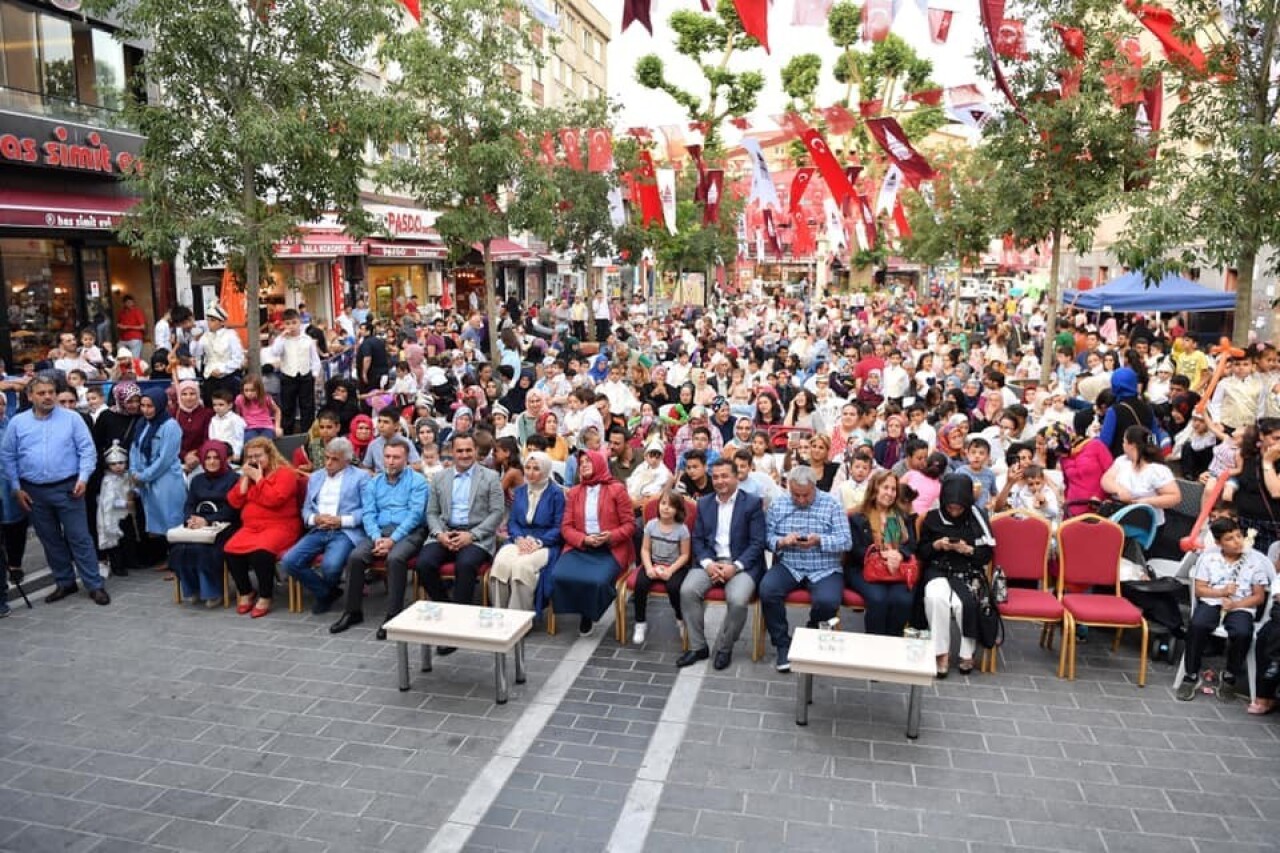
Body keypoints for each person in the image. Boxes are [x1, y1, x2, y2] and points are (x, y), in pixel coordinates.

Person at [0, 376, 108, 605]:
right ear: (30, 396)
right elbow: (8, 457)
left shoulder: (72, 419)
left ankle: (94, 584)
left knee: (79, 537)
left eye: (50, 392)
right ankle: (64, 582)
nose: (48, 396)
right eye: (41, 393)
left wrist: (83, 478)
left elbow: (87, 451)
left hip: (69, 488)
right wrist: (16, 488)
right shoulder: (18, 423)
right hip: (33, 492)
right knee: (49, 539)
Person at [329, 437, 428, 640]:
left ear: (406, 459)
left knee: (395, 559)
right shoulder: (373, 483)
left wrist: (393, 540)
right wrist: (376, 538)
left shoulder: (418, 481)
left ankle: (394, 614)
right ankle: (352, 611)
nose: (390, 461)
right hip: (379, 531)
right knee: (356, 557)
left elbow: (415, 515)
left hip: (409, 532)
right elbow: (368, 514)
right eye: (387, 457)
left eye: (396, 457)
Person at [759, 465, 853, 672]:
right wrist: (782, 541)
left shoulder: (832, 504)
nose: (801, 500)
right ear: (788, 487)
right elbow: (766, 539)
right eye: (796, 495)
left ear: (815, 487)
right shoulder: (779, 504)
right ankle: (782, 643)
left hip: (824, 567)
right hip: (789, 563)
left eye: (806, 496)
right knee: (767, 590)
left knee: (827, 601)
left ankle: (810, 635)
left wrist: (820, 540)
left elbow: (846, 541)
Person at [681, 458, 767, 670]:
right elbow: (698, 539)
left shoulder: (753, 503)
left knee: (738, 600)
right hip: (711, 561)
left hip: (742, 564)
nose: (720, 481)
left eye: (725, 476)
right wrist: (709, 564)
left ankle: (725, 648)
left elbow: (758, 543)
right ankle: (698, 647)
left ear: (737, 477)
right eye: (716, 476)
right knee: (688, 590)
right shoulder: (705, 503)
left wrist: (735, 567)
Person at [1177, 517, 1273, 702]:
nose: (1237, 541)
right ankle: (1191, 675)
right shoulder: (1209, 558)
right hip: (1212, 601)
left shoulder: (1254, 561)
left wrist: (1236, 604)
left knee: (1243, 632)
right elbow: (1199, 589)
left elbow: (1259, 597)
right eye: (1229, 538)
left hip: (1241, 605)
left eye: (1239, 536)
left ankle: (1229, 676)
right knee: (1197, 625)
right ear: (1218, 542)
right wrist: (1221, 592)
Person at [418, 433, 505, 630]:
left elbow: (497, 513)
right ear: (451, 453)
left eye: (468, 450)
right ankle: (448, 609)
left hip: (476, 535)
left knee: (465, 565)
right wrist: (439, 534)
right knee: (424, 563)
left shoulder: (490, 477)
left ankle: (457, 626)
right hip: (445, 531)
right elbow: (431, 512)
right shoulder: (440, 478)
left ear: (475, 451)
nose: (464, 455)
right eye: (460, 451)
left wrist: (472, 535)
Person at [915, 474, 996, 678]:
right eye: (950, 507)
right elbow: (921, 552)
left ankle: (966, 653)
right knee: (936, 598)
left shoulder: (977, 519)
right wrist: (937, 545)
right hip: (938, 568)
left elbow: (986, 555)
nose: (954, 511)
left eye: (959, 508)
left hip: (967, 570)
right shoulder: (933, 518)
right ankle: (940, 653)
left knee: (963, 604)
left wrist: (967, 549)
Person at [281, 437, 370, 615]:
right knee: (289, 561)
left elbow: (367, 510)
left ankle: (325, 593)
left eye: (334, 459)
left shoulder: (361, 477)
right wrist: (315, 519)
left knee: (330, 566)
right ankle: (326, 593)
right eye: (327, 457)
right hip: (319, 528)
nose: (328, 463)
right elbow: (306, 508)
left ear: (346, 460)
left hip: (344, 531)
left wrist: (341, 520)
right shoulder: (316, 477)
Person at [553, 448, 636, 635]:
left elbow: (630, 525)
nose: (583, 466)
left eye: (588, 462)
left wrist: (610, 536)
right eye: (581, 463)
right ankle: (582, 607)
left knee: (596, 582)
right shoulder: (574, 492)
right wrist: (584, 539)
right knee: (559, 575)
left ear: (599, 463)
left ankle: (587, 613)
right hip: (581, 546)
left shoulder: (617, 489)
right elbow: (566, 527)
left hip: (610, 548)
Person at [223, 438, 303, 618]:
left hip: (281, 525)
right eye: (249, 456)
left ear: (270, 454)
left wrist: (259, 479)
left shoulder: (285, 473)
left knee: (262, 552)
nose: (253, 460)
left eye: (258, 455)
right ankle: (246, 591)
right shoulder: (249, 476)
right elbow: (235, 502)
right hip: (252, 527)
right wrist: (245, 478)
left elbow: (275, 499)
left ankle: (266, 595)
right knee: (231, 549)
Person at [489, 452, 565, 613]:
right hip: (520, 540)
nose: (530, 472)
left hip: (545, 544)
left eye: (536, 468)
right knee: (501, 564)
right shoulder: (521, 491)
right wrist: (519, 539)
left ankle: (518, 618)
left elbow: (559, 527)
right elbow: (513, 521)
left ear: (545, 470)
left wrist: (538, 542)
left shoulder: (556, 494)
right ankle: (499, 612)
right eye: (528, 468)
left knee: (521, 567)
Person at [847, 470, 918, 637]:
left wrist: (899, 554)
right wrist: (882, 555)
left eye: (893, 489)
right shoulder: (858, 516)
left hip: (896, 569)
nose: (890, 493)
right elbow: (854, 549)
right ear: (875, 489)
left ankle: (894, 643)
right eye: (885, 488)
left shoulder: (900, 516)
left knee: (902, 600)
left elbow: (912, 545)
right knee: (878, 599)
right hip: (864, 568)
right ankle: (876, 646)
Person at [169, 441, 240, 606]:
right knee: (181, 549)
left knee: (203, 550)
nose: (212, 461)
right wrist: (190, 519)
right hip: (197, 524)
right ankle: (192, 589)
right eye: (208, 458)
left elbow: (232, 509)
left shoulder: (234, 479)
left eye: (216, 457)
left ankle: (213, 591)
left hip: (224, 524)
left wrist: (207, 520)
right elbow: (189, 504)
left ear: (223, 458)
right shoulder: (197, 479)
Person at [129, 387, 187, 562]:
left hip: (166, 480)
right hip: (147, 480)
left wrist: (144, 475)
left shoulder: (170, 426)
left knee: (172, 521)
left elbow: (165, 458)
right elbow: (135, 449)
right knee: (158, 522)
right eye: (143, 405)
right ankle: (169, 560)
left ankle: (178, 563)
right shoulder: (142, 424)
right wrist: (134, 471)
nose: (146, 410)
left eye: (150, 406)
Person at [632, 488, 693, 645]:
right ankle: (640, 623)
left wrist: (670, 570)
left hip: (675, 567)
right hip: (653, 563)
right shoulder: (651, 525)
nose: (666, 508)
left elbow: (685, 555)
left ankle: (680, 619)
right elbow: (645, 549)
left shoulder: (682, 529)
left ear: (678, 510)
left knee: (674, 588)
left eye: (671, 505)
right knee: (640, 585)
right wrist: (649, 568)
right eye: (663, 503)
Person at [1100, 425, 1179, 526]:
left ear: (1131, 445)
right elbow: (1106, 480)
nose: (1123, 445)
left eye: (1124, 441)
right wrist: (1119, 489)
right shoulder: (1122, 461)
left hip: (1146, 525)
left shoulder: (1157, 470)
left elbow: (1174, 497)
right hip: (1120, 518)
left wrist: (1145, 502)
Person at [268, 308, 322, 435]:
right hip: (288, 375)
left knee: (307, 407)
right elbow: (274, 352)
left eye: (294, 322)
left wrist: (314, 374)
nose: (291, 326)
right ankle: (288, 434)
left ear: (299, 322)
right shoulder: (282, 340)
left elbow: (315, 359)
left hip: (305, 376)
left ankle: (307, 434)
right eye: (287, 323)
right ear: (283, 324)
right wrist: (281, 337)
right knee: (287, 407)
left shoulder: (307, 340)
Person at [193, 303, 245, 405]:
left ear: (221, 322)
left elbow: (238, 359)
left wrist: (223, 370)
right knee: (210, 406)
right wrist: (195, 340)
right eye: (208, 320)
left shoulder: (231, 336)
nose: (209, 323)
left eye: (213, 320)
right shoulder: (205, 336)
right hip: (209, 377)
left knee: (228, 405)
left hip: (227, 378)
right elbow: (196, 354)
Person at [116, 294, 147, 358]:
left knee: (134, 359)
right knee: (122, 357)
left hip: (135, 338)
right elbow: (118, 324)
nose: (130, 304)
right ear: (124, 303)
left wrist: (127, 327)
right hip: (123, 339)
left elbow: (143, 327)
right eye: (128, 302)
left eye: (131, 302)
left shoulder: (137, 311)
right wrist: (119, 326)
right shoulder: (121, 313)